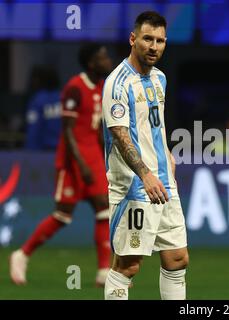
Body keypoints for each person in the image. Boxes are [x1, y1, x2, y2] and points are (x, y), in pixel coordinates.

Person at [9, 44, 113, 287]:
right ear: (91, 63)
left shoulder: (101, 87)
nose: (108, 61)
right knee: (63, 215)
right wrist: (82, 165)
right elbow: (67, 132)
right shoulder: (75, 88)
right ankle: (22, 254)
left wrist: (105, 157)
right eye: (103, 57)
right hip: (72, 161)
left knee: (104, 209)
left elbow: (96, 128)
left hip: (94, 158)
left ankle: (103, 271)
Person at [102, 11, 188, 300]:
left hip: (164, 182)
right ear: (133, 39)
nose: (154, 46)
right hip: (134, 186)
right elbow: (120, 133)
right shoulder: (118, 82)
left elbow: (155, 126)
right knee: (128, 266)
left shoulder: (160, 79)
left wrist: (168, 157)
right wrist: (145, 174)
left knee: (177, 259)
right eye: (148, 39)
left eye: (160, 41)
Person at [24, 65, 61, 150]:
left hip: (43, 152)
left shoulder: (37, 100)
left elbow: (33, 128)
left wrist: (30, 152)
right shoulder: (63, 97)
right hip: (62, 151)